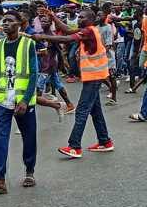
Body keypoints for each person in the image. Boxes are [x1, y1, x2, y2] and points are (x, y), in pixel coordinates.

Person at [32, 8, 114, 159]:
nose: (79, 19)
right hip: (94, 75)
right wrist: (53, 16)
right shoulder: (88, 29)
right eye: (79, 17)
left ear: (90, 19)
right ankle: (105, 141)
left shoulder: (89, 31)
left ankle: (74, 146)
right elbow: (68, 30)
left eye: (82, 17)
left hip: (94, 76)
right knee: (95, 111)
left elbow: (67, 39)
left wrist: (42, 36)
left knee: (82, 110)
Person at [0, 11, 38, 194]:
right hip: (3, 100)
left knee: (29, 137)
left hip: (23, 101)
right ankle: (0, 180)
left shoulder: (28, 44)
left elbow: (34, 75)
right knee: (0, 138)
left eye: (10, 21)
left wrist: (25, 99)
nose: (5, 24)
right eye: (4, 21)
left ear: (20, 24)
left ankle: (29, 171)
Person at [36, 15, 74, 116]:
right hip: (43, 66)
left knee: (37, 93)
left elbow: (59, 51)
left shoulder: (53, 36)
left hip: (48, 66)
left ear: (50, 23)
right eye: (42, 21)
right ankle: (69, 104)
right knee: (58, 85)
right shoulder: (40, 35)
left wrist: (63, 65)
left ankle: (57, 106)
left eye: (46, 21)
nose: (43, 23)